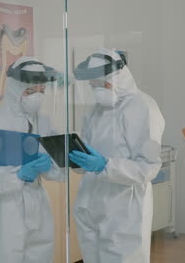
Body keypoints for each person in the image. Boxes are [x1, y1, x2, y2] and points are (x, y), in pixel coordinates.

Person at [69, 48, 165, 263]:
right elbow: (87, 151)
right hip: (91, 204)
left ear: (118, 77)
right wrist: (78, 160)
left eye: (103, 84)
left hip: (124, 209)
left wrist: (106, 165)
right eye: (93, 85)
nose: (98, 90)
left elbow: (147, 168)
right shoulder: (96, 111)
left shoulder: (143, 106)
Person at [0, 56, 63, 263]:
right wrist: (16, 175)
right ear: (14, 90)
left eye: (41, 91)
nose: (36, 96)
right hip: (0, 210)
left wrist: (52, 165)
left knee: (40, 254)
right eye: (30, 91)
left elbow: (56, 167)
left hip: (36, 205)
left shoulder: (44, 122)